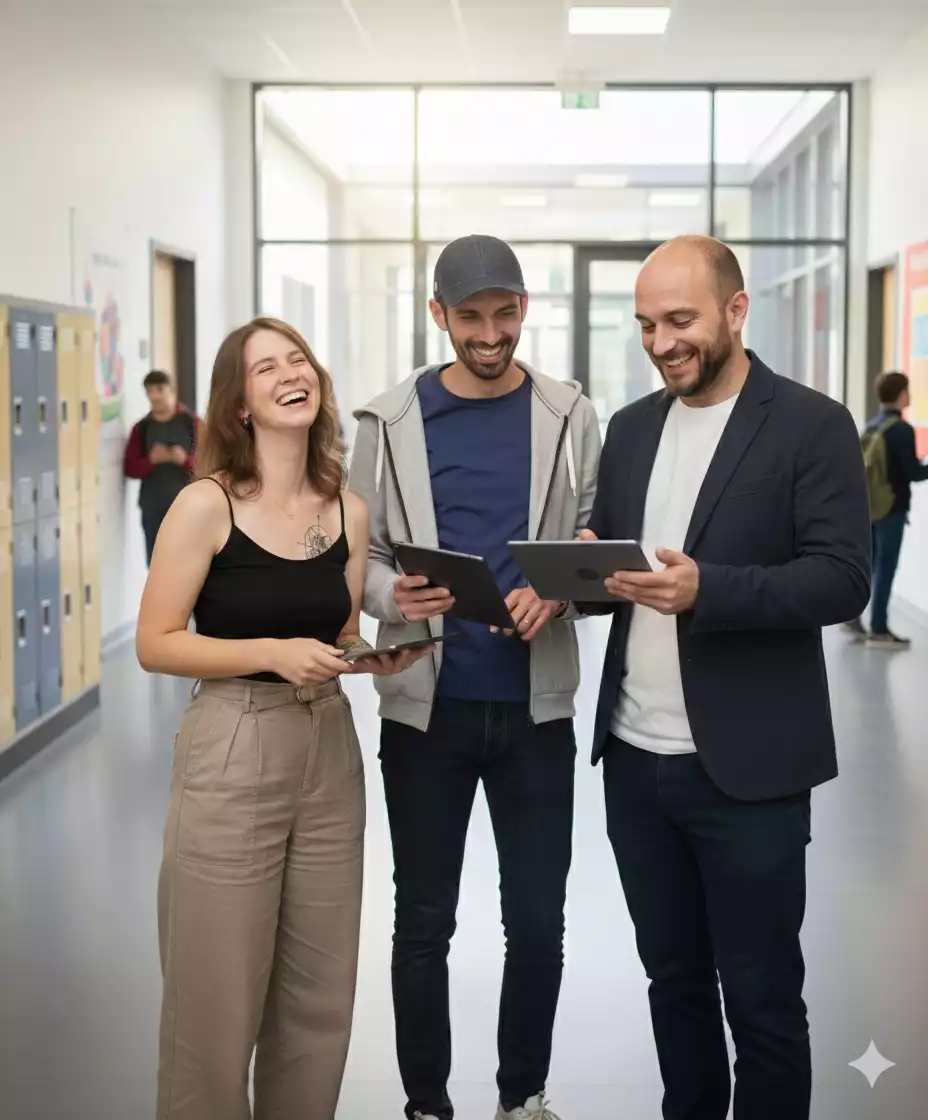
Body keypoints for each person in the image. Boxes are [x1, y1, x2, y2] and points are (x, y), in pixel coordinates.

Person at [578, 236, 870, 1120]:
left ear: (736, 311)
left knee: (763, 1002)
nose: (660, 342)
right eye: (644, 325)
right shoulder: (630, 431)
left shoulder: (811, 425)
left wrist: (709, 588)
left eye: (680, 321)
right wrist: (586, 571)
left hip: (747, 772)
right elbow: (619, 572)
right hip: (635, 762)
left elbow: (841, 576)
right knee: (673, 984)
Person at [135, 317, 430, 1120]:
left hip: (327, 746)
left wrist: (365, 654)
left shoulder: (348, 511)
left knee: (318, 1000)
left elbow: (331, 631)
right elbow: (155, 644)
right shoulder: (206, 506)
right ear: (240, 406)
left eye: (298, 359)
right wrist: (270, 651)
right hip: (233, 742)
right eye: (266, 368)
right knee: (215, 1003)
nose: (289, 374)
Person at [347, 234, 601, 1120]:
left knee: (537, 925)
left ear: (524, 308)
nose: (489, 335)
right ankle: (427, 1106)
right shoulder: (387, 422)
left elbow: (592, 541)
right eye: (470, 317)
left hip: (536, 712)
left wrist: (558, 591)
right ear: (438, 317)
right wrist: (394, 590)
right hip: (427, 715)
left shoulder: (572, 414)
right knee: (423, 925)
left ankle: (520, 1097)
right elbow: (363, 553)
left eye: (504, 314)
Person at [844, 370, 928, 649]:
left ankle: (852, 615)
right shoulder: (902, 429)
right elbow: (913, 473)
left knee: (869, 566)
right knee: (886, 570)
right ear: (901, 394)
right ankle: (879, 629)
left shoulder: (874, 424)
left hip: (869, 506)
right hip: (892, 507)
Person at [123, 370, 201, 563]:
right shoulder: (141, 428)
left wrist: (184, 460)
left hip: (189, 507)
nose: (155, 396)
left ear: (171, 390)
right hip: (153, 508)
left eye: (160, 389)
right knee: (158, 565)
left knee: (191, 564)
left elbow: (212, 464)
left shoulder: (192, 423)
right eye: (150, 391)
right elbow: (130, 468)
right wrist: (151, 461)